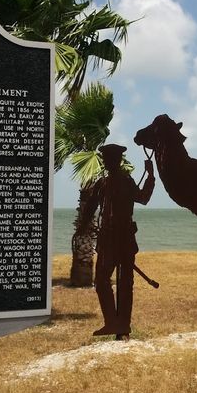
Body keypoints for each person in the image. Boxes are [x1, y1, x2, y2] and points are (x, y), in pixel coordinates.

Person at [77, 143, 155, 340]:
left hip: (124, 239)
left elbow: (143, 198)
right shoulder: (102, 183)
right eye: (106, 159)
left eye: (111, 159)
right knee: (103, 281)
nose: (107, 162)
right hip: (108, 240)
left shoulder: (126, 181)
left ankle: (123, 326)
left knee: (125, 284)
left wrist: (150, 176)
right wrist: (82, 226)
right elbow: (91, 206)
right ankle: (113, 322)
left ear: (117, 160)